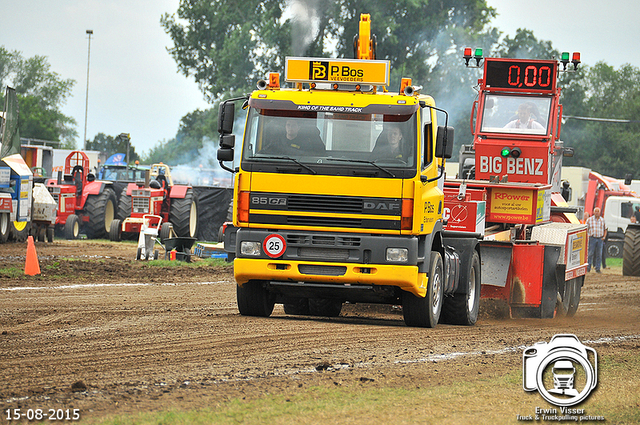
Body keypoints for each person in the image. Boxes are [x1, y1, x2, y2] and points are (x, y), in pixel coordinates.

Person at [586, 207, 607, 273]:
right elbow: (586, 228)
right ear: (593, 212)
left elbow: (605, 229)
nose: (597, 213)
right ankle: (588, 267)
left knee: (599, 254)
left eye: (598, 211)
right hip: (592, 238)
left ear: (600, 212)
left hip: (600, 239)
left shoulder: (602, 220)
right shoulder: (589, 220)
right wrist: (588, 236)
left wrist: (604, 237)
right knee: (590, 253)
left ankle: (597, 268)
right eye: (596, 211)